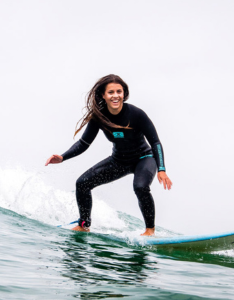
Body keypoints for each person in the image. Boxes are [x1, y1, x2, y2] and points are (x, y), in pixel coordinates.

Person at [45, 74, 172, 236]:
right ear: (103, 95)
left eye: (119, 91)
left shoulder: (136, 114)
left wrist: (161, 168)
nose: (115, 96)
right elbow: (84, 143)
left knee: (140, 187)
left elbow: (155, 142)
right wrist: (63, 157)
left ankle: (149, 230)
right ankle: (84, 224)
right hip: (119, 161)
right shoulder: (99, 117)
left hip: (144, 158)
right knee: (82, 183)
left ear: (124, 94)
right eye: (111, 92)